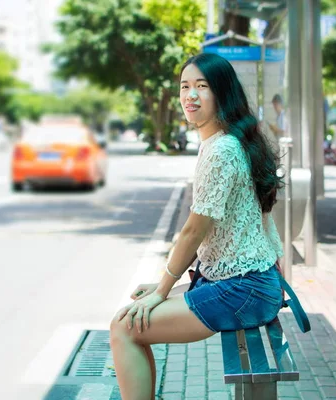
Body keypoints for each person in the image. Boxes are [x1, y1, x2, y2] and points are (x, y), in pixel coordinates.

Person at [110, 53, 285, 400]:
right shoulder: (228, 140)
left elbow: (194, 230)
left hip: (243, 289)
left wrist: (164, 289)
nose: (190, 95)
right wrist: (163, 289)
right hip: (246, 283)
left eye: (201, 87)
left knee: (124, 328)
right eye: (184, 86)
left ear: (222, 93)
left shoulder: (222, 149)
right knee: (132, 317)